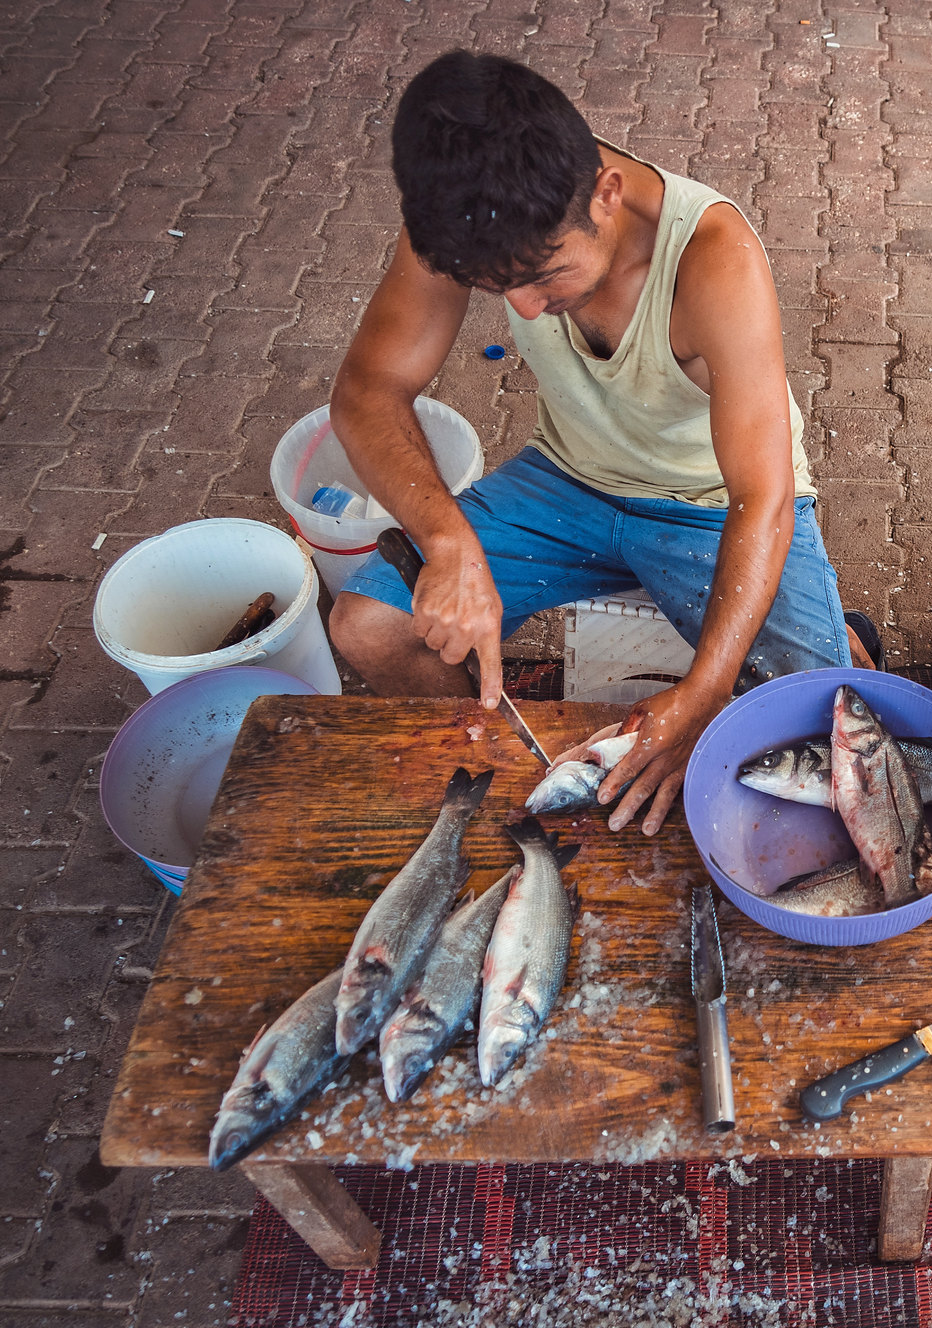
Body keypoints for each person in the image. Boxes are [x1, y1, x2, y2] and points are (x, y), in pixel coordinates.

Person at [327, 51, 877, 837]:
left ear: (605, 194)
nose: (522, 303)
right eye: (496, 286)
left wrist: (703, 692)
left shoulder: (713, 259)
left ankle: (839, 632)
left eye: (544, 275)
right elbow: (365, 390)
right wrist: (446, 543)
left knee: (822, 723)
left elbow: (764, 495)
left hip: (715, 504)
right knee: (368, 626)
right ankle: (518, 789)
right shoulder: (475, 222)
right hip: (571, 482)